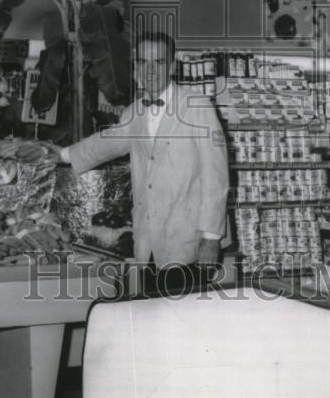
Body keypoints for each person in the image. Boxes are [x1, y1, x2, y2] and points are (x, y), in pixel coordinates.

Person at [56, 30, 229, 296]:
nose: (150, 70)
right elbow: (106, 142)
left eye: (158, 62)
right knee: (151, 318)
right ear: (136, 66)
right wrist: (60, 155)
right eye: (143, 62)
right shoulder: (135, 111)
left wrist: (211, 238)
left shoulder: (198, 106)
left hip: (188, 242)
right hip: (148, 243)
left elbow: (215, 176)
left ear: (172, 66)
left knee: (185, 324)